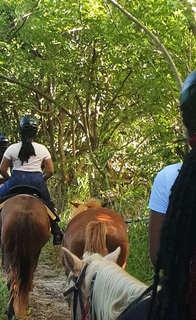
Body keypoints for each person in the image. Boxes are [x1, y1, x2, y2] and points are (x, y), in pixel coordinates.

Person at [118, 71, 196, 320]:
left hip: (187, 296)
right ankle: (54, 224)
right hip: (34, 183)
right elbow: (49, 171)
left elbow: (158, 257)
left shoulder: (173, 178)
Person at [0, 115, 63, 245]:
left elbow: (3, 170)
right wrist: (42, 181)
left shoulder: (12, 148)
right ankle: (57, 232)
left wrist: (11, 181)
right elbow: (50, 171)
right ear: (35, 132)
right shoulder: (43, 149)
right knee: (49, 205)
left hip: (16, 180)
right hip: (37, 181)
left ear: (20, 130)